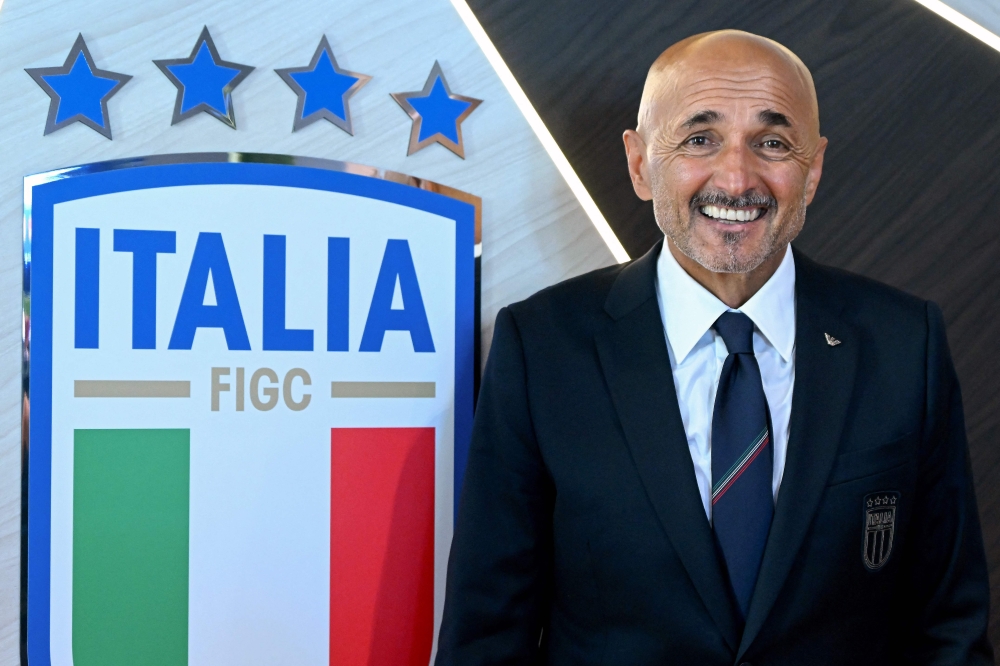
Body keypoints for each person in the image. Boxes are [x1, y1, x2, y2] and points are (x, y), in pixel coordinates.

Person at [435, 30, 992, 665]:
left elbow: (949, 629)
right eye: (700, 139)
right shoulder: (542, 348)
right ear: (640, 164)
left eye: (773, 143)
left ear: (812, 171)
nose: (736, 177)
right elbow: (485, 638)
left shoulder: (903, 344)